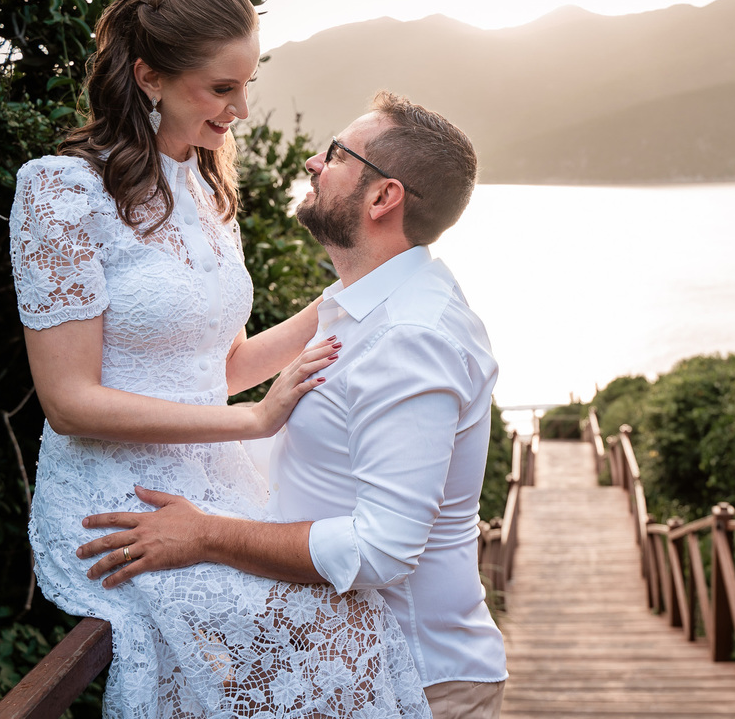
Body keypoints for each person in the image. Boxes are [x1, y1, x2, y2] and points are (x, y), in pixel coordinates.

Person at [10, 0, 429, 718]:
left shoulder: (207, 192)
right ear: (149, 76)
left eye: (247, 84)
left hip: (217, 484)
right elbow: (68, 402)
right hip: (120, 502)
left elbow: (224, 364)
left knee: (359, 613)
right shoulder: (60, 192)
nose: (239, 109)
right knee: (312, 628)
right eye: (220, 88)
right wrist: (255, 420)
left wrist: (357, 291)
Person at [78, 92, 508, 719]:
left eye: (335, 154)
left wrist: (204, 535)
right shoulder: (360, 301)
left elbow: (381, 549)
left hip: (419, 683)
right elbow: (221, 373)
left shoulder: (412, 337)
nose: (311, 161)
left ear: (382, 197)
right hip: (347, 672)